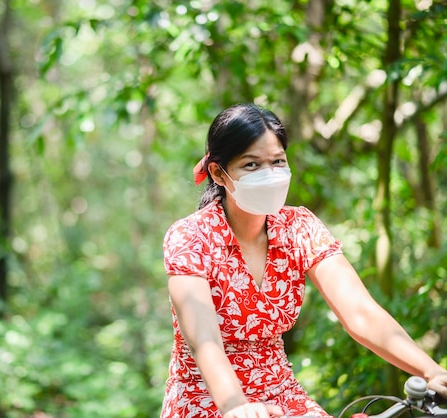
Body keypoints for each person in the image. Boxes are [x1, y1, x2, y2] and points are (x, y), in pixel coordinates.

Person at [161, 103, 447, 418]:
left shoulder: (300, 228)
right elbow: (204, 340)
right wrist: (235, 406)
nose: (269, 174)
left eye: (277, 162)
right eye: (252, 165)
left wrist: (430, 370)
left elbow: (360, 313)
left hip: (285, 398)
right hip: (208, 400)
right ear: (219, 172)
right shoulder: (191, 237)